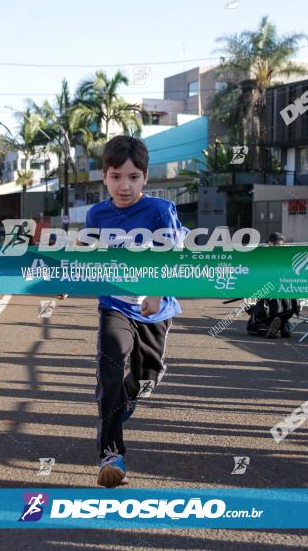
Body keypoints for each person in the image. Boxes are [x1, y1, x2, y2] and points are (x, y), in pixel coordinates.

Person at [77, 135, 182, 488]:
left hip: (154, 311)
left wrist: (157, 290)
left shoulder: (159, 210)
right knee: (109, 372)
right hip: (114, 306)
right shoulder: (98, 214)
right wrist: (62, 279)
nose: (124, 185)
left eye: (133, 177)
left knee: (144, 379)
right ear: (104, 177)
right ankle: (111, 455)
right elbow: (83, 252)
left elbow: (175, 257)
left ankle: (128, 396)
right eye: (116, 176)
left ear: (145, 178)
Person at [246, 232, 299, 338]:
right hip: (270, 290)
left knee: (292, 303)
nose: (278, 247)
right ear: (269, 243)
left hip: (279, 290)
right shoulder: (263, 255)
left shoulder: (284, 257)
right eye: (276, 244)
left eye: (280, 245)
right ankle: (280, 324)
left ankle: (280, 323)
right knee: (276, 304)